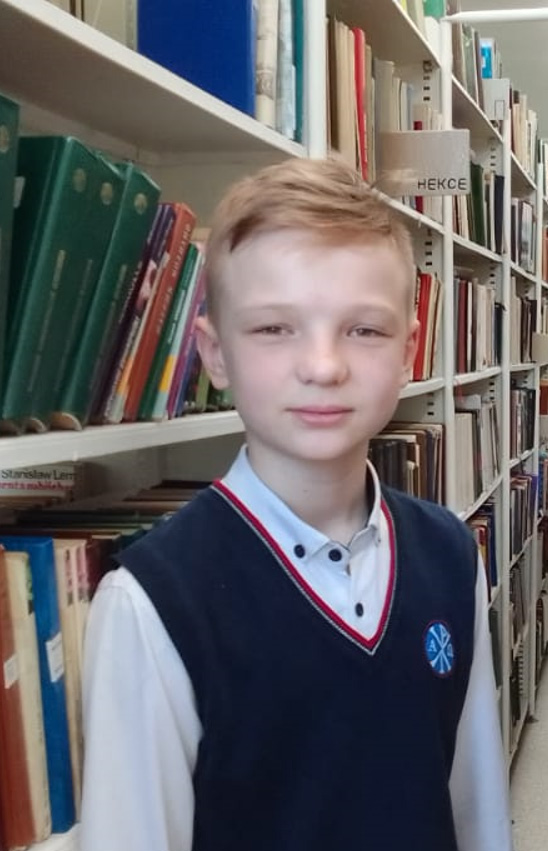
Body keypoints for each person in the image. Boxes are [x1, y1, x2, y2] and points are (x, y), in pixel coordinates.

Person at [79, 158, 512, 851]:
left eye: (364, 329)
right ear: (215, 354)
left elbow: (475, 805)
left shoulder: (452, 555)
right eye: (274, 329)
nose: (323, 366)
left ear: (410, 350)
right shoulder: (151, 601)